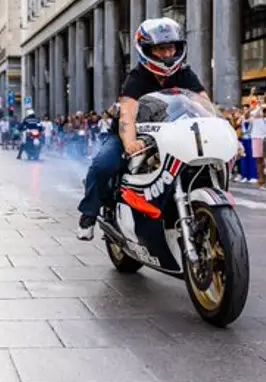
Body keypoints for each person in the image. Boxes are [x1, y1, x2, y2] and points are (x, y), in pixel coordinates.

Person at [76, 17, 208, 241]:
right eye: (160, 49)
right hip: (136, 134)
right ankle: (88, 214)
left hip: (172, 133)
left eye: (170, 47)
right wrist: (130, 143)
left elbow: (203, 104)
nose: (167, 54)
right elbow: (127, 113)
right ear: (147, 50)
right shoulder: (137, 77)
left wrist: (222, 130)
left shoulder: (185, 74)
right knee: (103, 164)